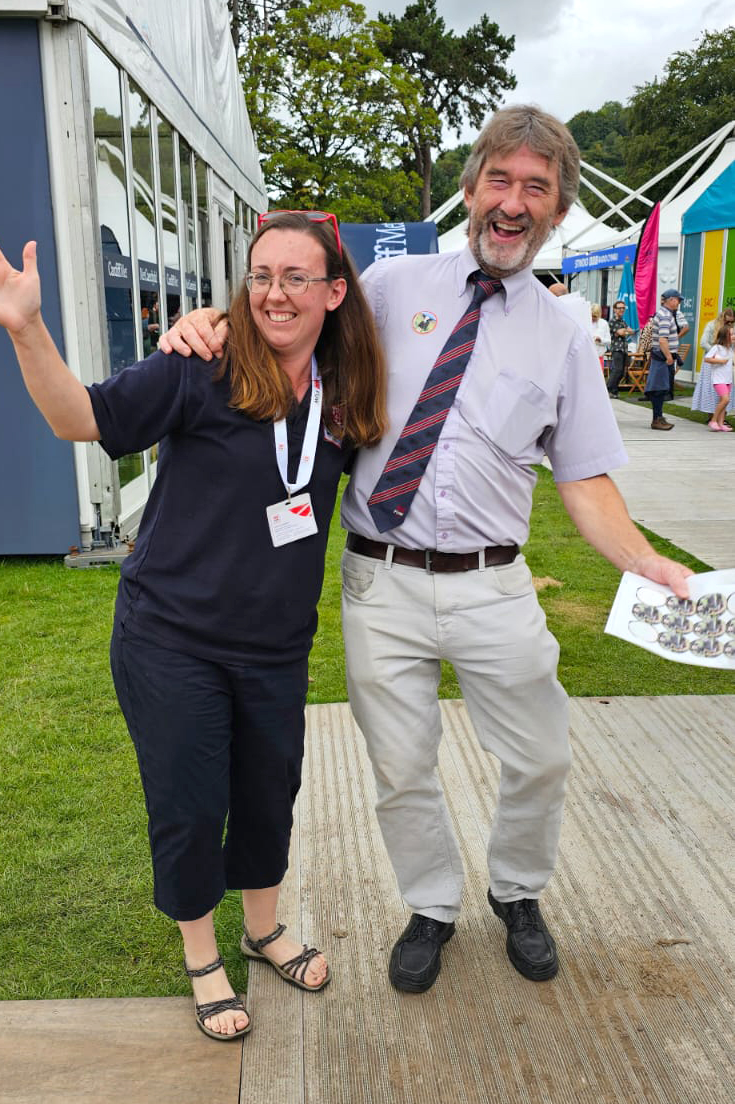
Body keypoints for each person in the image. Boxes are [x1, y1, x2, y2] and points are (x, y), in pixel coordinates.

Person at [163, 106, 693, 998]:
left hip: (494, 585)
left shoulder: (562, 332)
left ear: (557, 207)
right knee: (399, 766)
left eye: (536, 187)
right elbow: (284, 314)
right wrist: (207, 320)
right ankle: (432, 905)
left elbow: (584, 478)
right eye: (500, 179)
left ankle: (517, 892)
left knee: (541, 755)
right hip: (382, 581)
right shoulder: (387, 285)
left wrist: (647, 563)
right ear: (471, 186)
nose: (513, 202)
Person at [0, 213, 386, 1040]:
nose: (274, 293)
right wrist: (27, 330)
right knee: (192, 802)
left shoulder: (344, 395)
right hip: (173, 640)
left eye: (295, 278)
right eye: (260, 275)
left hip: (275, 646)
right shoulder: (198, 366)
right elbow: (80, 419)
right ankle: (204, 955)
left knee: (269, 795)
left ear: (333, 293)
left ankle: (263, 928)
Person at [645, 289, 690, 430]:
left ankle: (658, 417)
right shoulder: (665, 316)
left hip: (661, 357)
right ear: (671, 300)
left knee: (661, 388)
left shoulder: (666, 314)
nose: (679, 303)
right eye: (678, 300)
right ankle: (657, 419)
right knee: (659, 389)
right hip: (662, 358)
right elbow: (663, 340)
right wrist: (669, 357)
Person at [692, 307, 735, 420]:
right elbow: (703, 343)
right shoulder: (711, 325)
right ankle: (711, 416)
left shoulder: (732, 328)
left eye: (732, 321)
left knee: (726, 390)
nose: (730, 323)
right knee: (711, 390)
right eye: (727, 321)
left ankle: (722, 418)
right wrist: (717, 352)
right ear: (722, 318)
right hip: (712, 363)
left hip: (726, 363)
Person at [703, 323, 734, 431]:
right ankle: (713, 421)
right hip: (718, 380)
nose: (734, 336)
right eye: (731, 334)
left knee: (725, 401)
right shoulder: (717, 348)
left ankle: (721, 424)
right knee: (725, 399)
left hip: (728, 380)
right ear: (724, 336)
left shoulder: (730, 350)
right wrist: (720, 361)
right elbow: (707, 359)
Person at [606, 300, 634, 396]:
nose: (622, 309)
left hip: (624, 349)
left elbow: (631, 331)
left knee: (622, 372)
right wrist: (626, 331)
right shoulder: (612, 321)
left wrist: (626, 330)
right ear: (614, 309)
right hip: (617, 349)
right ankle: (608, 389)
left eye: (623, 308)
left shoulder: (623, 321)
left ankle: (614, 391)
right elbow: (621, 332)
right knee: (617, 370)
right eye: (619, 308)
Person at [590, 303, 611, 369]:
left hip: (599, 356)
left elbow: (609, 341)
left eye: (595, 316)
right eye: (592, 316)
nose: (593, 318)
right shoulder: (586, 323)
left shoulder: (604, 324)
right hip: (587, 356)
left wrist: (601, 340)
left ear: (599, 315)